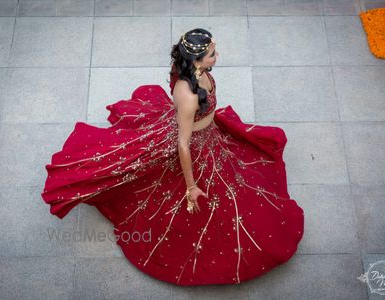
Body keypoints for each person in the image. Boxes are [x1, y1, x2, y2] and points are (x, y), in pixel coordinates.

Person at [41, 28, 304, 286]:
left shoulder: (195, 73)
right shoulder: (189, 97)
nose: (217, 56)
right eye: (212, 54)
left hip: (207, 134)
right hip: (194, 144)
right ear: (197, 60)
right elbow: (183, 144)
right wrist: (191, 186)